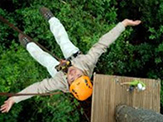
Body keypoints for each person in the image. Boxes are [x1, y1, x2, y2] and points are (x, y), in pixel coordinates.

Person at [0, 7, 141, 113]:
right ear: (85, 74)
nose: (73, 74)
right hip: (75, 56)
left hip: (58, 73)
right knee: (62, 38)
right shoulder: (88, 62)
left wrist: (14, 98)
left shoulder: (59, 83)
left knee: (44, 58)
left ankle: (28, 44)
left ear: (68, 85)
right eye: (79, 75)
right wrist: (123, 24)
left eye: (72, 79)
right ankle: (51, 19)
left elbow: (38, 88)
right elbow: (103, 43)